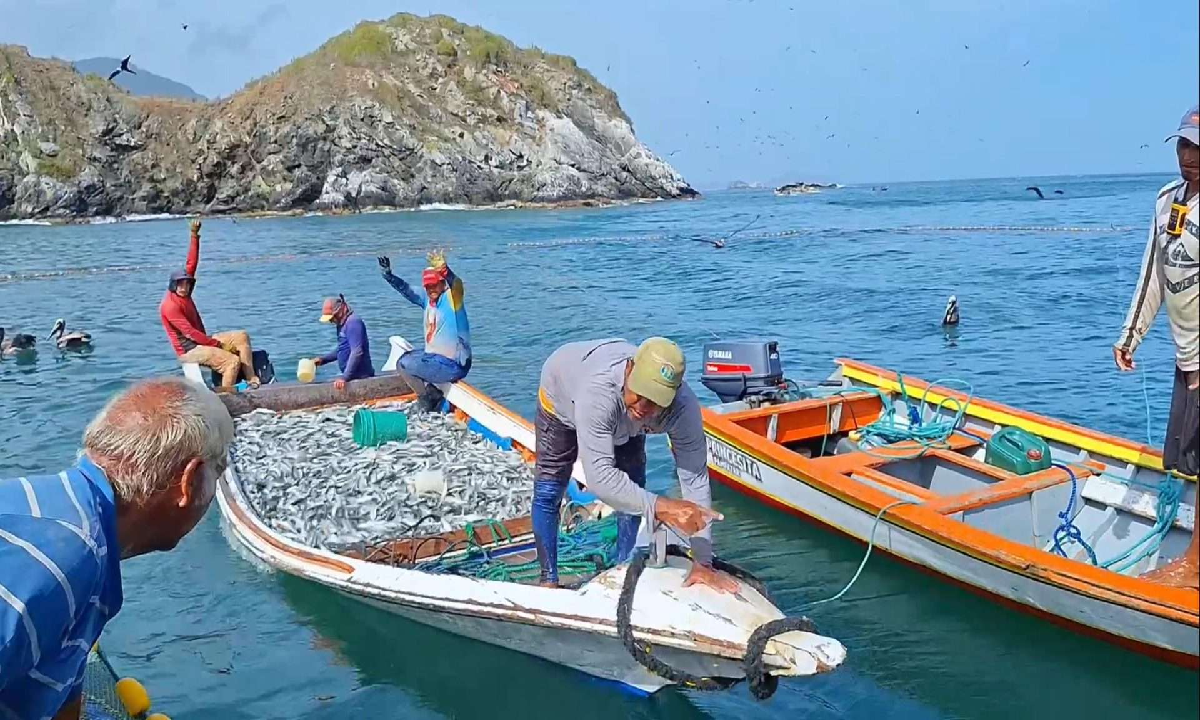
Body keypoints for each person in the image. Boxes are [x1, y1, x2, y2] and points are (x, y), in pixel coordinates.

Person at [0, 378, 234, 719]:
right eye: (219, 471)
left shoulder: (86, 547)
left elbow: (61, 693)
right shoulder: (61, 562)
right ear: (190, 480)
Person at [532, 337, 738, 592]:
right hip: (561, 396)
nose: (643, 406)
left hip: (622, 422)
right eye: (640, 393)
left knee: (633, 485)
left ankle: (623, 568)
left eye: (655, 400)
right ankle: (548, 578)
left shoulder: (682, 408)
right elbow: (599, 478)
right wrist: (660, 506)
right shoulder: (599, 392)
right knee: (550, 488)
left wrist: (703, 562)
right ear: (629, 369)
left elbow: (694, 477)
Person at [1113, 104, 1199, 589]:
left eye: (1198, 148)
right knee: (1190, 460)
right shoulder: (1168, 201)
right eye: (1184, 145)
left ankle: (1194, 565)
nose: (1189, 156)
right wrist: (1131, 335)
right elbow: (1154, 275)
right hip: (1187, 355)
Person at [160, 219, 261, 390]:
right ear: (173, 285)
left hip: (201, 341)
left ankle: (251, 377)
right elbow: (190, 333)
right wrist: (219, 345)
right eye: (180, 285)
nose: (185, 288)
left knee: (242, 336)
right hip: (190, 350)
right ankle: (225, 396)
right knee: (231, 362)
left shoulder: (185, 293)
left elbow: (191, 263)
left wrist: (194, 235)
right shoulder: (170, 306)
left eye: (187, 284)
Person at [378, 250, 471, 411]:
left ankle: (427, 398)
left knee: (404, 364)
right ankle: (430, 390)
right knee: (404, 359)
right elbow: (406, 289)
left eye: (434, 285)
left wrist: (445, 270)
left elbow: (457, 285)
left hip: (454, 365)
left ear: (443, 284)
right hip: (435, 359)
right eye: (428, 286)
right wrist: (388, 275)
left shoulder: (452, 299)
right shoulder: (427, 299)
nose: (431, 289)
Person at [310, 294, 374, 390]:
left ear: (341, 309)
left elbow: (357, 351)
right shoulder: (341, 324)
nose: (331, 321)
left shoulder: (353, 322)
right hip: (351, 376)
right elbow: (342, 348)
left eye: (332, 317)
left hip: (361, 377)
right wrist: (323, 360)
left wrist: (345, 377)